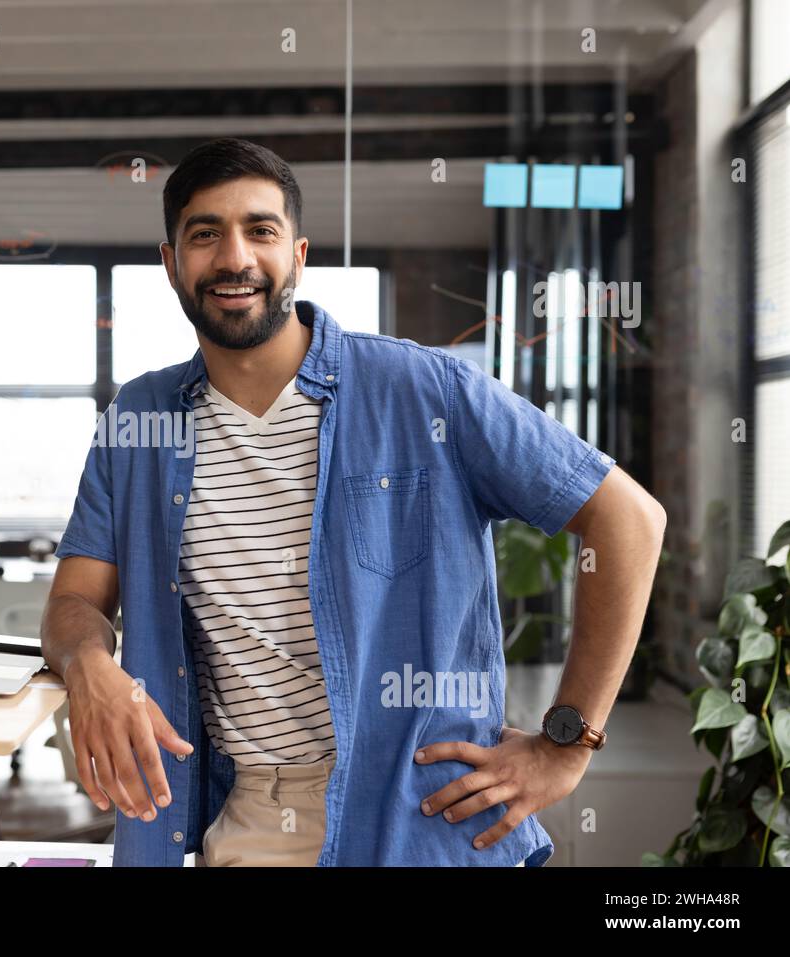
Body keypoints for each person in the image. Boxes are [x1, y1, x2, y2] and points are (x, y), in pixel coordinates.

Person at [39, 137, 666, 866]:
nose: (234, 257)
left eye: (260, 230)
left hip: (421, 826)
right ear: (171, 262)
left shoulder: (421, 389)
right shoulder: (139, 420)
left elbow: (627, 517)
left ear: (298, 254)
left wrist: (568, 742)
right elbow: (74, 601)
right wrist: (91, 666)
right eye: (204, 234)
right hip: (246, 824)